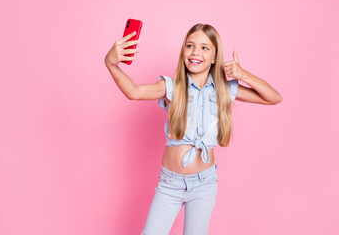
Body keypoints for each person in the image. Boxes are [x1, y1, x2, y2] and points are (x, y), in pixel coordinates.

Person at [104, 23, 282, 235]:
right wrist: (111, 65)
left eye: (205, 47)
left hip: (204, 183)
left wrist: (243, 75)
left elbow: (274, 98)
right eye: (190, 45)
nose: (195, 52)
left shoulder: (224, 90)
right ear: (183, 51)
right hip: (170, 183)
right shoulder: (171, 87)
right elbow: (133, 91)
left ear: (215, 57)